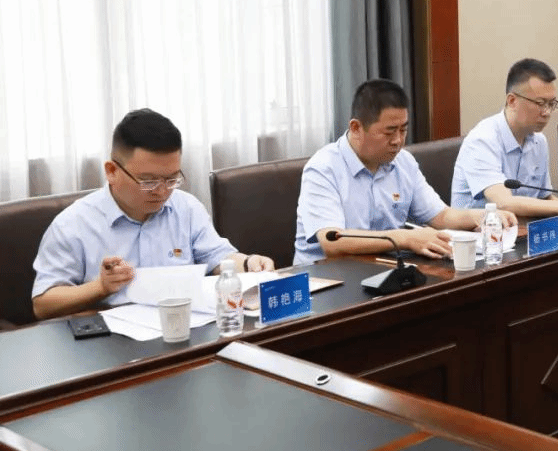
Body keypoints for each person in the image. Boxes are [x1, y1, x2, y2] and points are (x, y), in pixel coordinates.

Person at [31, 109, 274, 320]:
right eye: (148, 182)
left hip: (183, 329)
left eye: (171, 179)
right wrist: (100, 287)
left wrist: (248, 262)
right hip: (111, 342)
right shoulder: (73, 224)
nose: (162, 191)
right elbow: (43, 304)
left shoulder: (186, 208)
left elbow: (217, 257)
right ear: (112, 171)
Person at [294, 79, 515, 264]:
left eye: (403, 130)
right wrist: (405, 238)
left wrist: (482, 215)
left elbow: (441, 216)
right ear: (356, 128)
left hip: (384, 270)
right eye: (389, 132)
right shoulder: (323, 168)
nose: (398, 141)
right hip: (327, 278)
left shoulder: (403, 162)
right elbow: (332, 242)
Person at [451, 58, 558, 220]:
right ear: (512, 101)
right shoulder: (482, 140)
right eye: (540, 103)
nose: (547, 112)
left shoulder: (539, 141)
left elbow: (543, 198)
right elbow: (503, 203)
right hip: (478, 233)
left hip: (522, 230)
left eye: (551, 104)